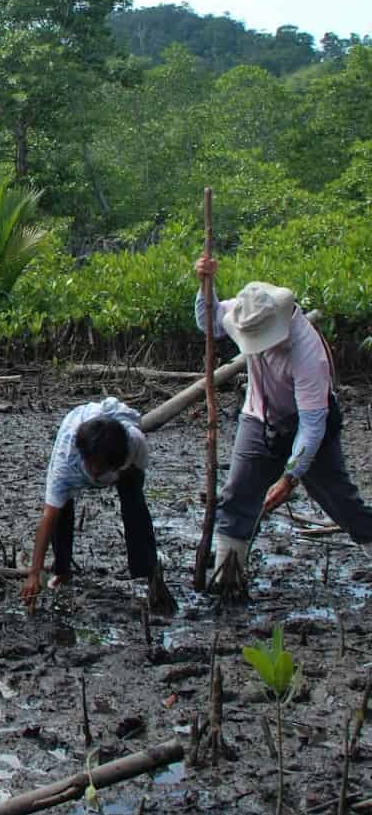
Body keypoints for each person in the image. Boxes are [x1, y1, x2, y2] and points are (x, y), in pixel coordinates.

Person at [194, 257, 372, 577]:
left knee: (339, 500)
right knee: (237, 495)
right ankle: (227, 576)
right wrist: (206, 284)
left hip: (308, 423)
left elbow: (312, 425)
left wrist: (290, 477)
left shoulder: (307, 353)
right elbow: (208, 322)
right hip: (259, 416)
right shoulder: (243, 315)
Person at [21, 397, 160, 610]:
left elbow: (135, 484)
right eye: (92, 465)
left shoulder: (135, 444)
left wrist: (118, 474)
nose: (95, 472)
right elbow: (48, 518)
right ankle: (62, 571)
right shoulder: (66, 462)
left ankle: (147, 574)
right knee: (61, 509)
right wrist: (34, 573)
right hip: (78, 439)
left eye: (102, 468)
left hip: (121, 459)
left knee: (135, 505)